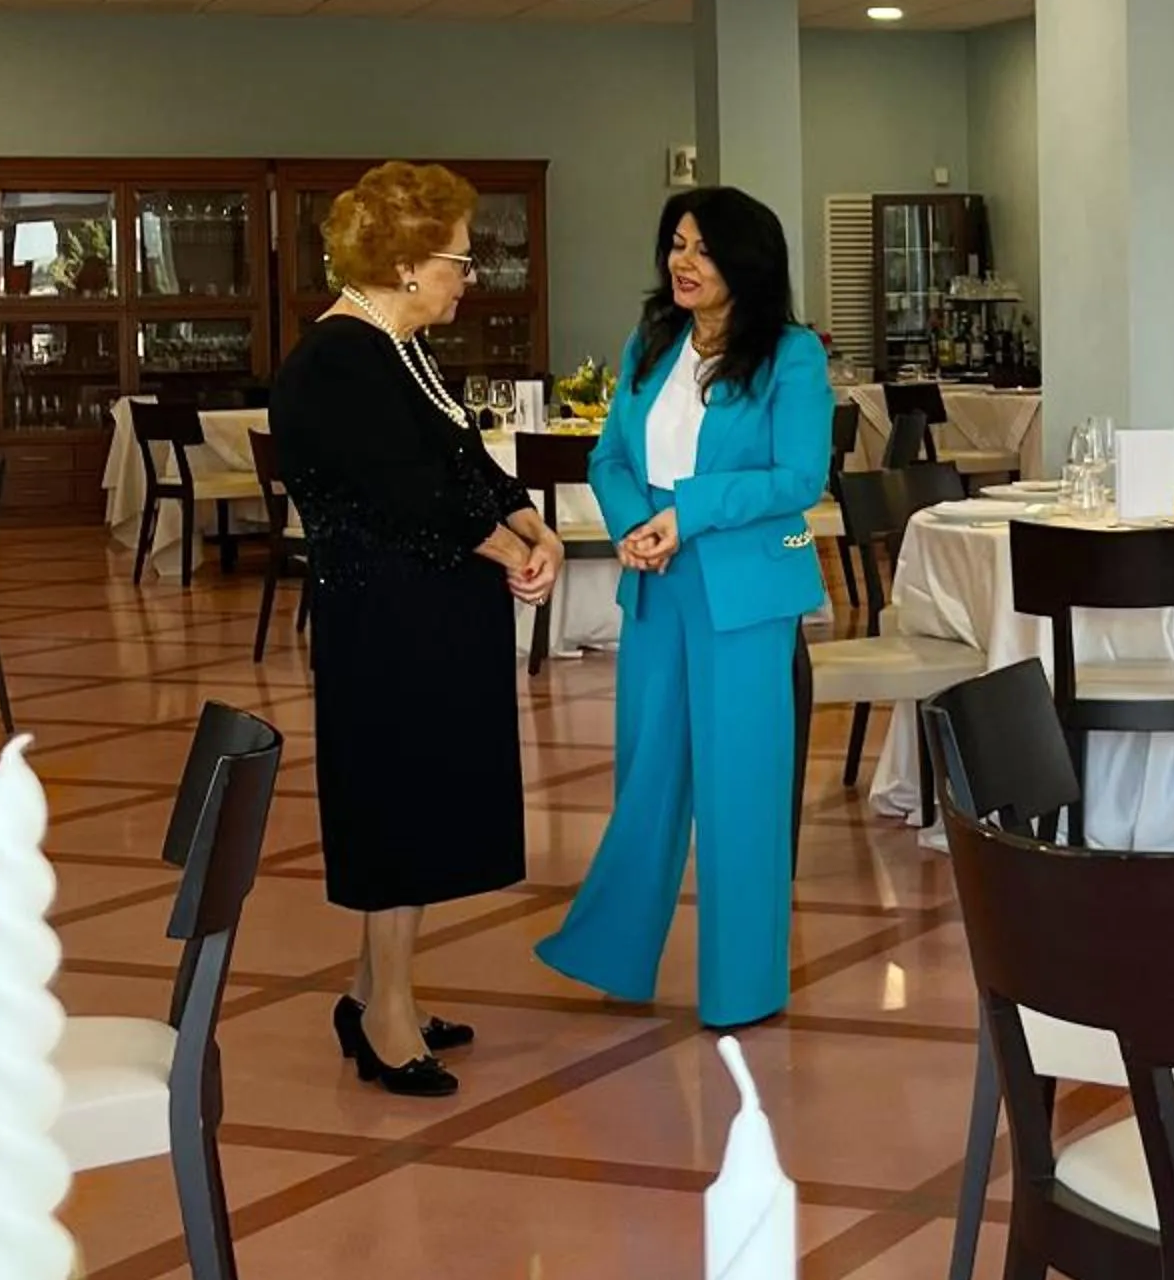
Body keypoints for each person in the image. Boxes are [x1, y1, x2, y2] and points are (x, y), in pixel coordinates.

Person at [270, 161, 562, 1099]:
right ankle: (385, 1016)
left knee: (429, 802)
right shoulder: (338, 359)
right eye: (457, 263)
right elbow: (405, 497)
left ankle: (374, 990)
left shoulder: (401, 349)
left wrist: (531, 523)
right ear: (402, 264)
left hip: (433, 613)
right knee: (396, 808)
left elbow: (463, 458)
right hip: (385, 623)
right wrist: (503, 550)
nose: (466, 278)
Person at [537, 188, 831, 1031]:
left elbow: (798, 478)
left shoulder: (791, 355)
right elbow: (608, 457)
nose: (682, 261)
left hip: (744, 591)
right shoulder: (650, 342)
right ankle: (613, 953)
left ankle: (743, 986)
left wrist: (688, 513)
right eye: (676, 243)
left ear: (746, 260)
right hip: (655, 584)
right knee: (647, 777)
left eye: (701, 247)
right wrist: (633, 524)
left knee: (740, 786)